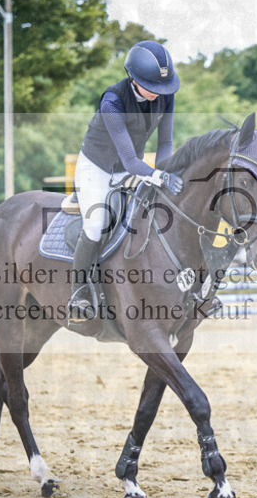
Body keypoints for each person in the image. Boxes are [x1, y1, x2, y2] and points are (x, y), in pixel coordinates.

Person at [69, 40, 184, 321]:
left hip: (133, 168)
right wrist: (159, 176)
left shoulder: (165, 95)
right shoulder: (112, 102)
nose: (158, 93)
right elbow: (131, 161)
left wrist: (167, 169)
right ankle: (78, 292)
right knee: (96, 223)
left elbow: (165, 142)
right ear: (134, 78)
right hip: (97, 168)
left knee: (157, 212)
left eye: (162, 87)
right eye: (152, 86)